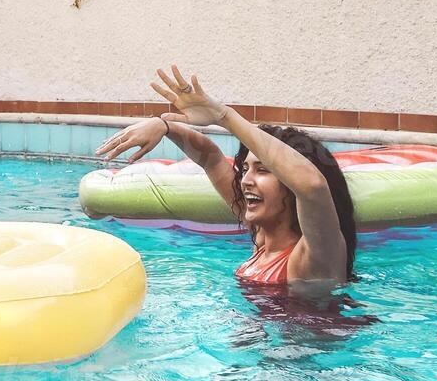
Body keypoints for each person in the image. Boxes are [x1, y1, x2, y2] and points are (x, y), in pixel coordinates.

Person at [95, 66, 356, 286]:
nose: (245, 180)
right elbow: (211, 159)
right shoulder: (262, 235)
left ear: (291, 187)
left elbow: (311, 185)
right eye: (245, 169)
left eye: (263, 170)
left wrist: (224, 116)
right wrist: (164, 126)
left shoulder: (315, 257)